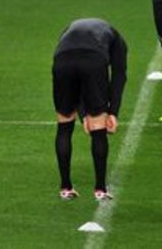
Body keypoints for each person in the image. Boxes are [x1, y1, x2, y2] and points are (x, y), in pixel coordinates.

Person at [52, 18, 127, 201]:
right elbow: (118, 77)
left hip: (62, 62)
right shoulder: (118, 41)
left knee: (64, 124)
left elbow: (75, 80)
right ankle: (100, 189)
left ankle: (65, 187)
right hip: (93, 59)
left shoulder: (67, 30)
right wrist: (112, 112)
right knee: (98, 130)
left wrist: (82, 114)